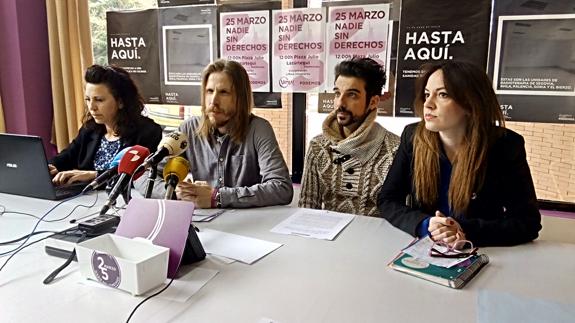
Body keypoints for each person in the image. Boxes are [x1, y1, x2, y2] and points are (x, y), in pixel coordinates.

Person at [377, 60, 541, 247]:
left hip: (482, 252)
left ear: (470, 103)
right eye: (427, 94)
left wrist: (464, 230)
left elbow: (527, 223)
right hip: (424, 248)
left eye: (443, 95)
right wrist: (425, 225)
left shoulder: (505, 146)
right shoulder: (412, 136)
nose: (428, 104)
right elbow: (388, 200)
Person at [174, 59, 293, 208]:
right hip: (204, 226)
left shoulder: (258, 129)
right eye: (209, 91)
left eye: (223, 92)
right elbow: (146, 176)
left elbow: (282, 188)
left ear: (240, 98)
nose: (213, 101)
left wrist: (217, 197)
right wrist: (176, 192)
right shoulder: (188, 130)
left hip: (247, 227)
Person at [299, 57, 400, 216]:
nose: (340, 103)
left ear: (373, 102)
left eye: (352, 95)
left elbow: (402, 214)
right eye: (337, 93)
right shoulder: (318, 146)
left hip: (375, 238)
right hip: (327, 238)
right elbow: (307, 208)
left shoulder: (395, 150)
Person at [49, 64, 162, 185]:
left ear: (121, 102)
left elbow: (137, 175)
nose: (92, 107)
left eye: (99, 100)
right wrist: (50, 167)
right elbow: (67, 156)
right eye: (88, 99)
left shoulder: (148, 132)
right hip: (83, 199)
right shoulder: (90, 128)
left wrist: (94, 175)